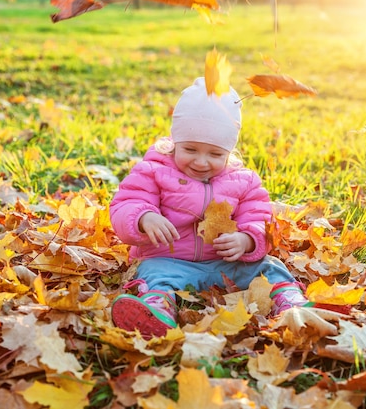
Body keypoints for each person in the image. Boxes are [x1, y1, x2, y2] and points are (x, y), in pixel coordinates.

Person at [109, 77, 322, 339]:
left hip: (225, 264)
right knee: (153, 273)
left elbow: (261, 219)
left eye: (215, 154)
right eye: (190, 149)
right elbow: (127, 203)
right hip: (169, 260)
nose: (201, 161)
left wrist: (246, 240)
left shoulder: (244, 182)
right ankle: (157, 308)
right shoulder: (153, 171)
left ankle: (291, 304)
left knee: (270, 266)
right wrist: (144, 217)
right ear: (175, 141)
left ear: (229, 151)